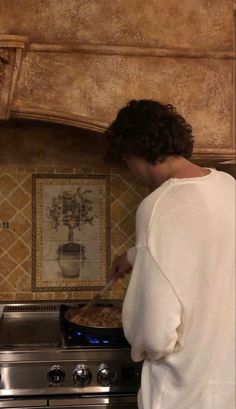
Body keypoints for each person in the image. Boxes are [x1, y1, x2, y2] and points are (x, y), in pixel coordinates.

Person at [104, 100, 235, 409]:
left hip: (179, 393)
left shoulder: (158, 206)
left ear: (134, 153)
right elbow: (204, 251)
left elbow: (154, 332)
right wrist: (134, 256)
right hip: (225, 388)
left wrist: (138, 339)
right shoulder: (228, 186)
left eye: (126, 161)